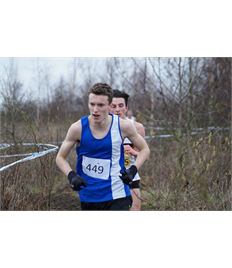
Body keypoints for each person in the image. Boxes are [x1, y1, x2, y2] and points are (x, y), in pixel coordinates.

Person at [56, 83, 150, 210]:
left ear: (109, 106)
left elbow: (145, 150)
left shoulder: (123, 126)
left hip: (118, 194)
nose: (95, 109)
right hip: (89, 195)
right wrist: (71, 176)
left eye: (100, 105)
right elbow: (60, 158)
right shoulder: (77, 128)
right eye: (92, 104)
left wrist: (133, 170)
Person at [110, 89, 146, 211]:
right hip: (109, 179)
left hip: (131, 177)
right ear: (109, 107)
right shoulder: (103, 127)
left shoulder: (137, 127)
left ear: (126, 107)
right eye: (113, 106)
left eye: (121, 106)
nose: (117, 109)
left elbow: (145, 155)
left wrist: (133, 152)